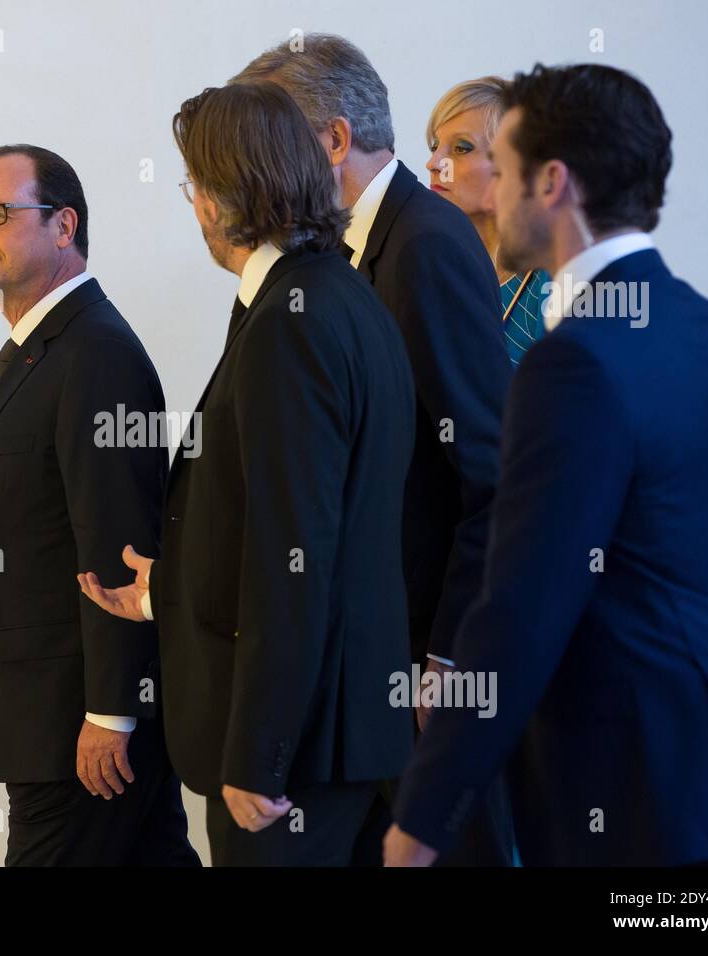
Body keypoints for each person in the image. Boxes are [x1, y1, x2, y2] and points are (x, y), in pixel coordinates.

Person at [385, 64, 708, 867]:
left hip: (632, 814)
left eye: (499, 168)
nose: (492, 190)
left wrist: (424, 815)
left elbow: (522, 607)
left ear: (553, 182)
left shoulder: (568, 364)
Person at [78, 81, 416, 866]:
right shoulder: (346, 297)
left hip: (292, 758)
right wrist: (166, 591)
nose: (192, 204)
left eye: (192, 183)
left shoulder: (287, 325)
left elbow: (291, 557)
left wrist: (259, 754)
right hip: (347, 739)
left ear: (222, 195)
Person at [231, 33, 513, 866]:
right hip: (376, 666)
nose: (253, 173)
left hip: (423, 664)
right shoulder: (343, 252)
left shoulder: (423, 244)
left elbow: (490, 468)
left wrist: (447, 657)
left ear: (331, 141)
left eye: (268, 142)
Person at [0, 144, 198, 866]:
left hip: (79, 733)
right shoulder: (38, 350)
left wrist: (111, 712)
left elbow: (118, 540)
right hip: (48, 724)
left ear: (64, 225)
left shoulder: (93, 354)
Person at [425, 76, 549, 366]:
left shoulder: (550, 279)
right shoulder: (437, 264)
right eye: (434, 146)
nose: (433, 164)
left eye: (461, 148)